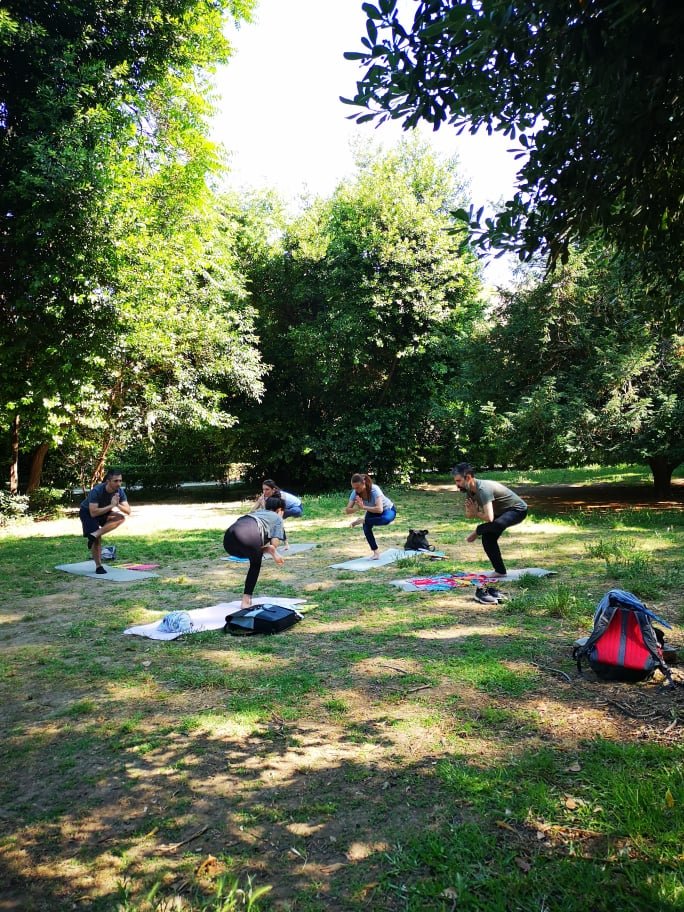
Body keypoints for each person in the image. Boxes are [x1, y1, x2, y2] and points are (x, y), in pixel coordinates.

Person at [452, 462, 527, 582]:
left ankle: (478, 530)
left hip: (517, 510)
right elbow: (469, 515)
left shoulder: (483, 489)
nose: (457, 485)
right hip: (501, 512)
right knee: (488, 538)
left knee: (496, 525)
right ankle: (500, 571)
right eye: (456, 481)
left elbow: (489, 518)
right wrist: (472, 511)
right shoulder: (469, 490)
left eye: (459, 481)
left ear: (469, 477)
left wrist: (477, 524)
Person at [224, 496, 286, 609]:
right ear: (279, 510)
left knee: (247, 552)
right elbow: (275, 542)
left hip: (229, 539)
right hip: (249, 536)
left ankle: (264, 550)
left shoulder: (257, 512)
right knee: (255, 564)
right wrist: (279, 521)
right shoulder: (277, 518)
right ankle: (246, 601)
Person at [79, 469, 131, 574]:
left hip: (103, 511)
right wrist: (111, 505)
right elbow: (93, 513)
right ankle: (99, 566)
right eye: (115, 481)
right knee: (97, 540)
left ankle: (95, 534)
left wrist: (117, 505)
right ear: (108, 481)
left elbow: (128, 511)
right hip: (87, 512)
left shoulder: (119, 491)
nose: (119, 483)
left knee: (120, 518)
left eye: (120, 481)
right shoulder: (97, 490)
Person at [344, 472, 396, 559]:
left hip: (387, 509)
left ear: (363, 483)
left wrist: (363, 507)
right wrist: (358, 508)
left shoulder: (374, 489)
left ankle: (363, 520)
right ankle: (376, 553)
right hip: (371, 510)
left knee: (386, 520)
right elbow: (347, 510)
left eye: (357, 487)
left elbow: (379, 510)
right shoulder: (355, 493)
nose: (356, 490)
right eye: (354, 488)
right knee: (366, 528)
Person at [253, 479, 303, 550]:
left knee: (276, 521)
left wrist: (264, 505)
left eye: (267, 489)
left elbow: (269, 513)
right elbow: (255, 508)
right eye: (263, 489)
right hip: (284, 508)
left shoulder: (280, 496)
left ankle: (285, 544)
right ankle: (270, 542)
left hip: (297, 508)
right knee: (273, 519)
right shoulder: (265, 494)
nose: (264, 492)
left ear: (273, 490)